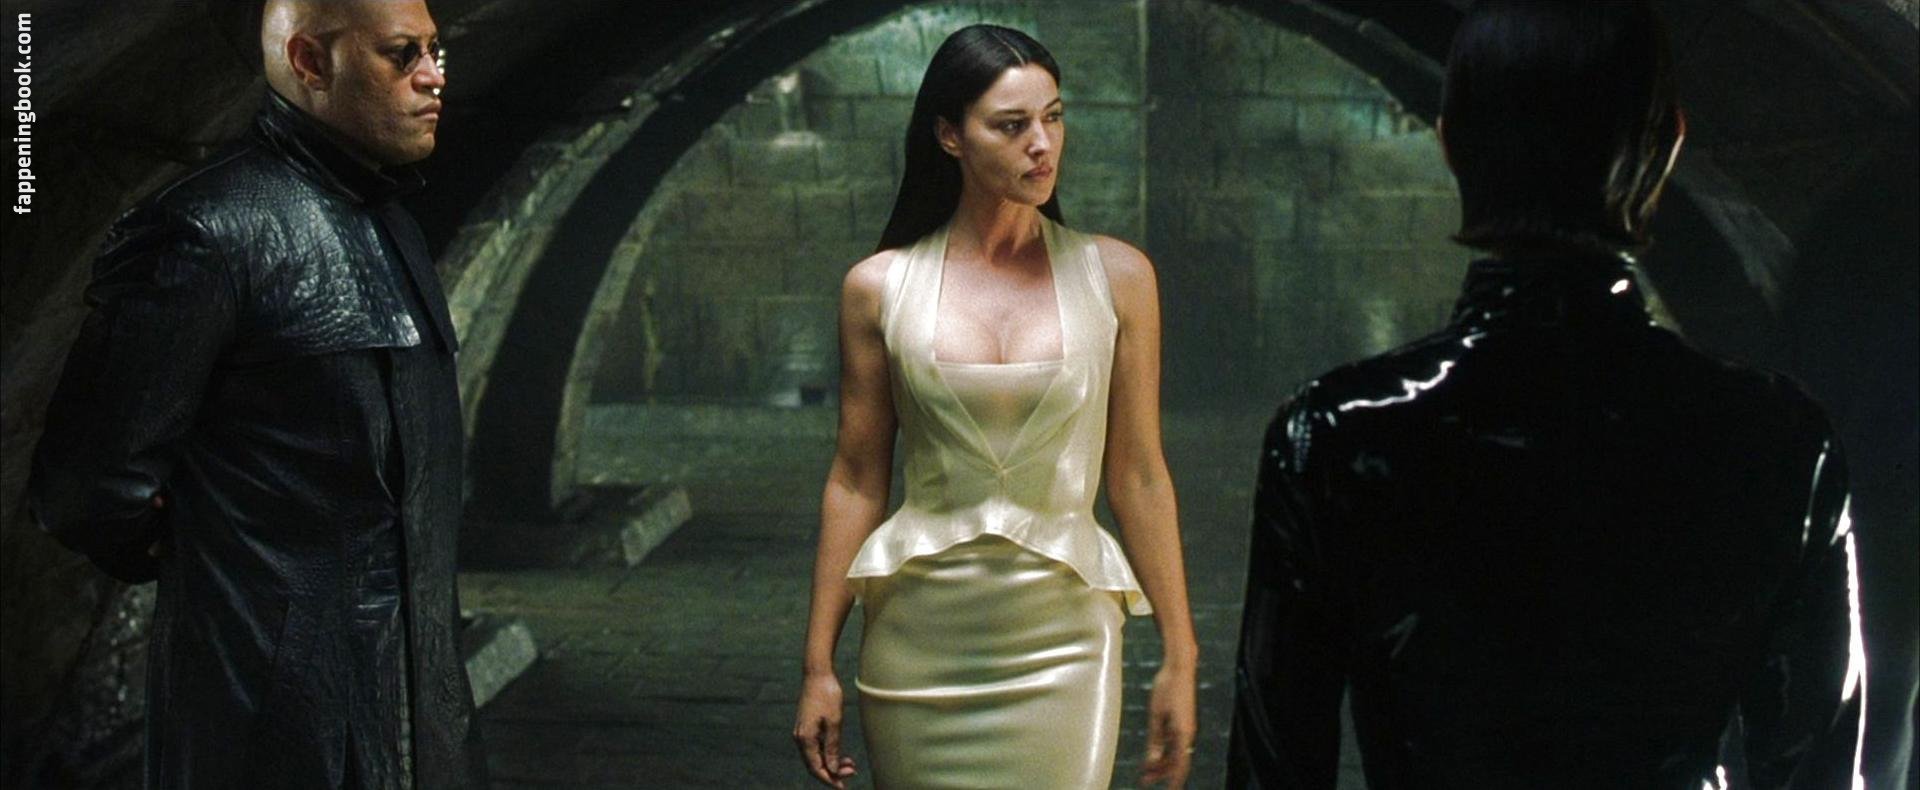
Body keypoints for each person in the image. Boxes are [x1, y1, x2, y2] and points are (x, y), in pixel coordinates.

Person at [1225, 2, 1866, 788]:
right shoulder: (1779, 439)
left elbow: (1275, 767)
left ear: (1451, 142)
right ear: (1666, 144)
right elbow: (1816, 766)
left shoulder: (1332, 437)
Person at [28, 1, 486, 786]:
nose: (434, 76)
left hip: (419, 711)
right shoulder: (208, 231)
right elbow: (85, 486)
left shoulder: (388, 220)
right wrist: (218, 557)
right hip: (271, 726)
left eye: (434, 51)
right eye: (402, 54)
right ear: (310, 62)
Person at [792, 24, 1199, 789]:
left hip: (1067, 638)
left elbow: (1140, 476)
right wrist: (818, 666)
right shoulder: (878, 289)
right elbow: (855, 480)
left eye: (1054, 116)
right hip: (917, 637)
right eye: (1011, 126)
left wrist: (1182, 655)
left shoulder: (1119, 278)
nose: (1042, 144)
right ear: (950, 135)